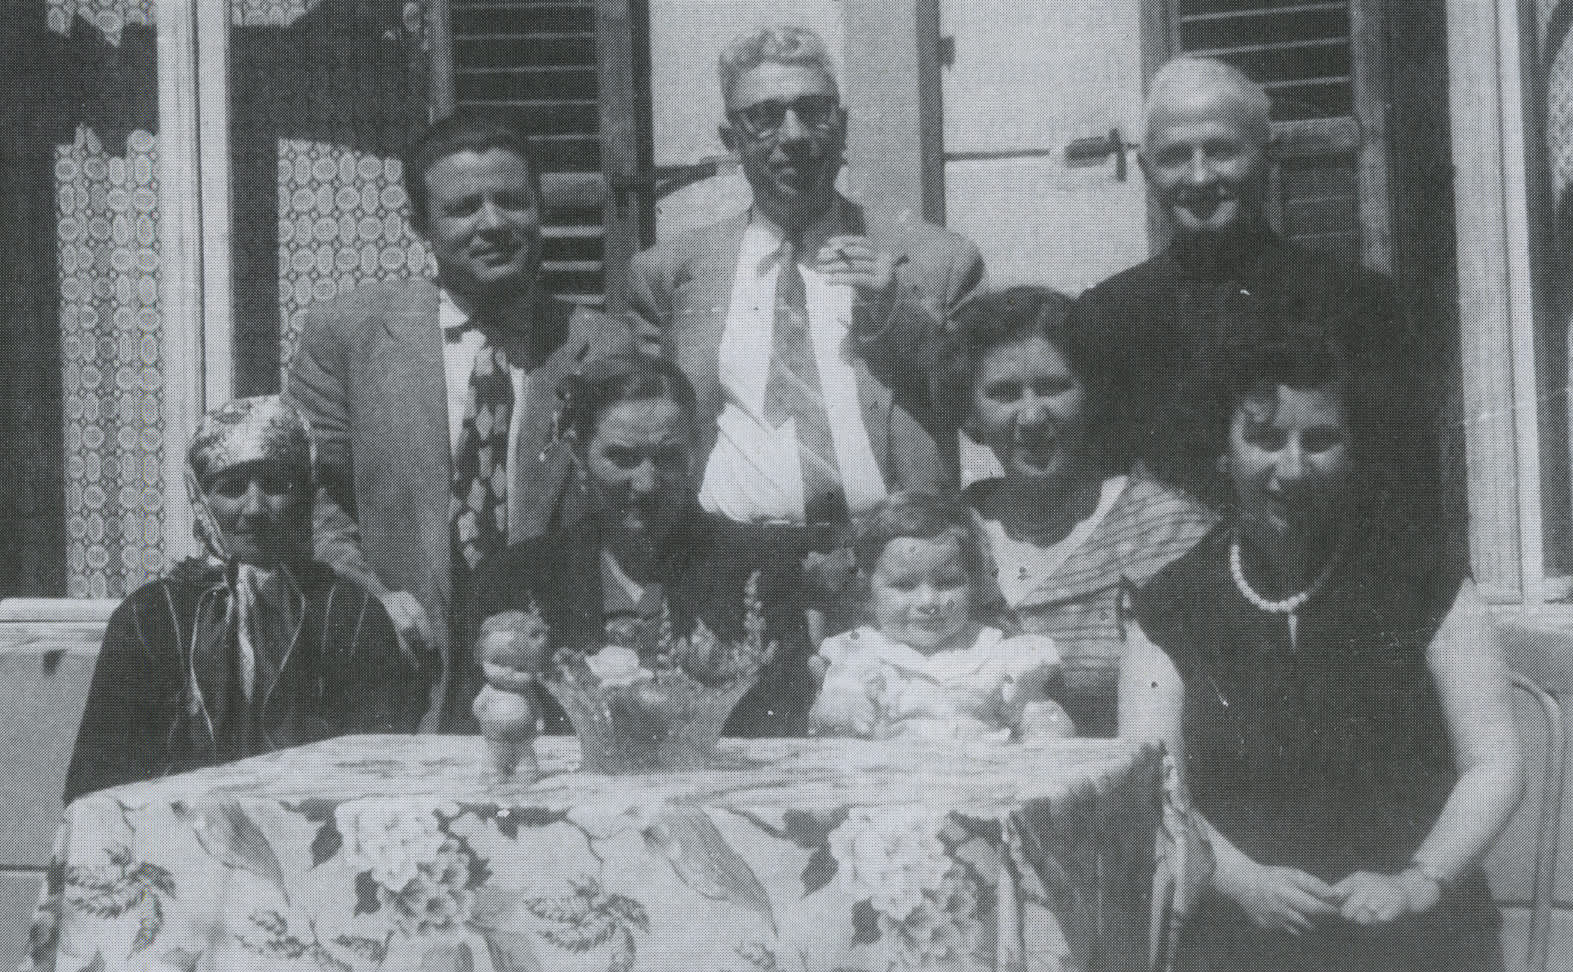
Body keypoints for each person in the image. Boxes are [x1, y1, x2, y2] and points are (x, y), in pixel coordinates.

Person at [1118, 321, 1523, 972]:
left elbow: (1493, 763)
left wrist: (1418, 881)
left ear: (1357, 448)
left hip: (1416, 938)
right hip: (1239, 933)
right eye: (1264, 439)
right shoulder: (1168, 605)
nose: (1292, 468)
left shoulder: (1426, 581)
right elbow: (1154, 789)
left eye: (1321, 440)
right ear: (1222, 448)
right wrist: (1241, 880)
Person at [286, 112, 634, 729]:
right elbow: (315, 500)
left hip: (556, 676)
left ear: (539, 211)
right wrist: (372, 600)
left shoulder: (598, 345)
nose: (493, 224)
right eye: (464, 207)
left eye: (512, 202)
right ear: (421, 225)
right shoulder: (349, 335)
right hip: (398, 666)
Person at [628, 25, 985, 534]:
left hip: (893, 567)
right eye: (765, 118)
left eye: (813, 111)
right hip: (731, 561)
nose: (794, 136)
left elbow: (974, 400)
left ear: (840, 126)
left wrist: (896, 316)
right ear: (732, 141)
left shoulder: (936, 260)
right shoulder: (669, 274)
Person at [1078, 56, 1431, 510]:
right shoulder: (1106, 319)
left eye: (1222, 151)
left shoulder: (1360, 306)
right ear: (1146, 170)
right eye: (1174, 157)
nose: (1200, 176)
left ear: (1269, 152)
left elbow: (1405, 494)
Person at [62, 397, 422, 804]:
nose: (254, 509)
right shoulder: (150, 618)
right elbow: (98, 784)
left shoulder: (348, 613)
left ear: (305, 495)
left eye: (276, 486)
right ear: (202, 500)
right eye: (232, 488)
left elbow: (380, 774)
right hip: (173, 846)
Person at [466, 353, 814, 737]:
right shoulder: (513, 581)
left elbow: (781, 730)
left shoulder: (761, 571)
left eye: (667, 458)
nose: (646, 484)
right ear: (580, 458)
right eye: (623, 457)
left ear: (697, 455)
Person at [938, 286, 1215, 736]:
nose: (1031, 418)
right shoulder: (947, 531)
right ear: (970, 414)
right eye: (1004, 394)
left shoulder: (1164, 530)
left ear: (1092, 396)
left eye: (1053, 388)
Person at [807, 491, 1068, 741]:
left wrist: (1045, 727)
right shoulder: (859, 651)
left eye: (947, 582)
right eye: (905, 585)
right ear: (868, 591)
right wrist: (841, 710)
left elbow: (1040, 716)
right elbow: (832, 712)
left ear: (973, 586)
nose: (928, 602)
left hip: (981, 780)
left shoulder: (996, 653)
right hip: (889, 779)